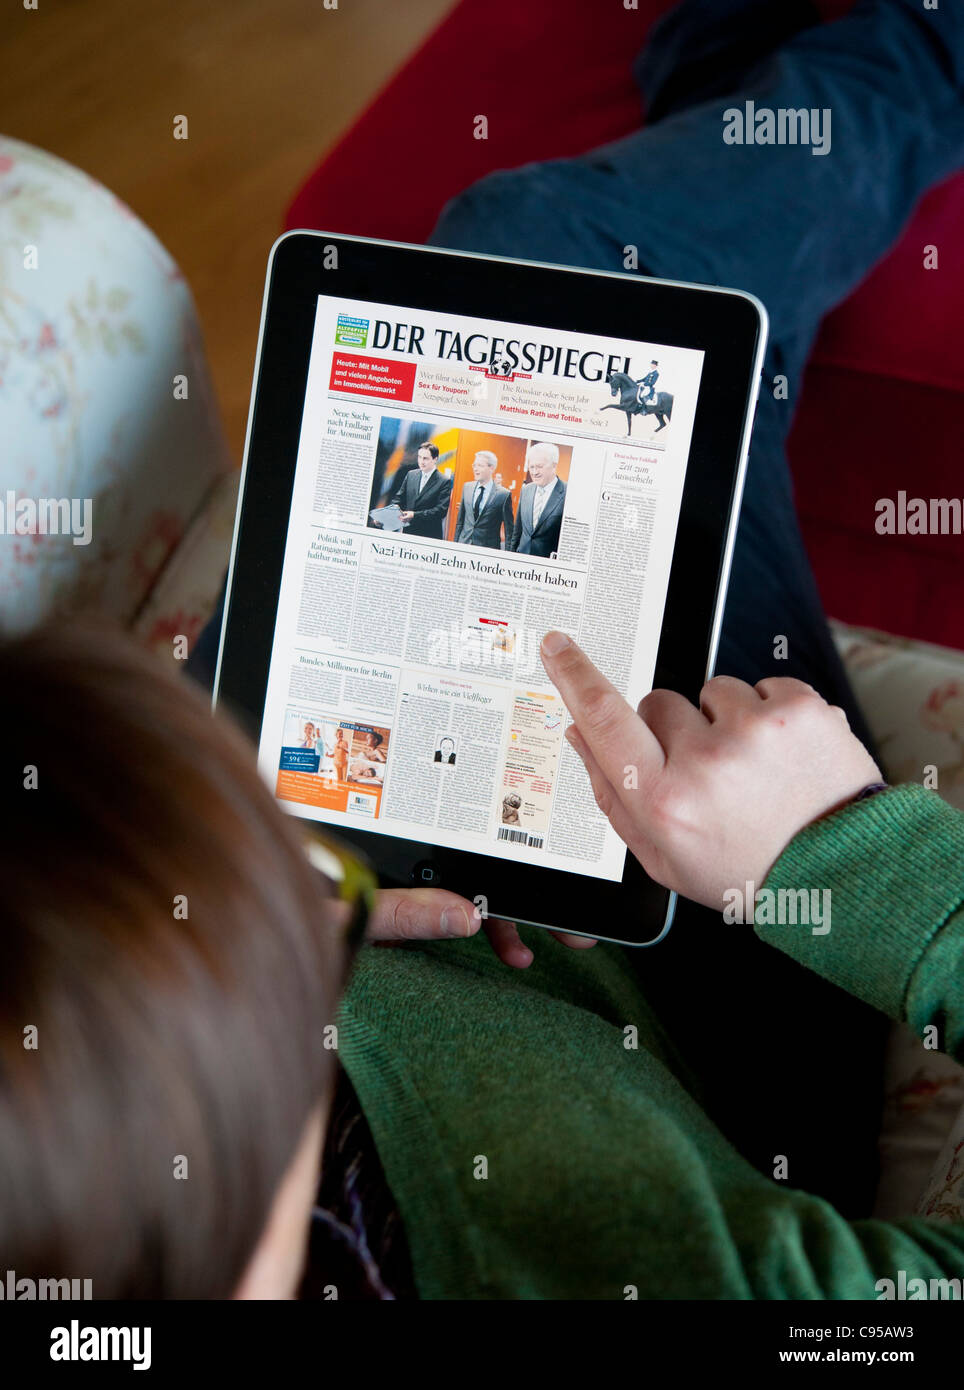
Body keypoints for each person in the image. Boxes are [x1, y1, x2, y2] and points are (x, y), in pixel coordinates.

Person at [509, 441, 566, 557]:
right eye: (532, 467)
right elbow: (517, 531)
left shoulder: (567, 493)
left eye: (539, 467)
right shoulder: (526, 490)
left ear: (554, 465)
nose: (534, 473)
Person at [454, 450, 515, 548]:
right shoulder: (467, 487)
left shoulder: (503, 495)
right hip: (464, 543)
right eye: (474, 465)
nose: (475, 469)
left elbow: (509, 531)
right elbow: (460, 522)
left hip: (487, 548)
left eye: (480, 466)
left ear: (491, 468)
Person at [396, 443, 453, 540]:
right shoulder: (411, 475)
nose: (421, 462)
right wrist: (387, 515)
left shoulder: (444, 481)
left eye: (425, 458)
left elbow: (440, 511)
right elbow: (399, 499)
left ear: (435, 459)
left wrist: (414, 515)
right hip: (408, 532)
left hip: (429, 534)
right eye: (419, 457)